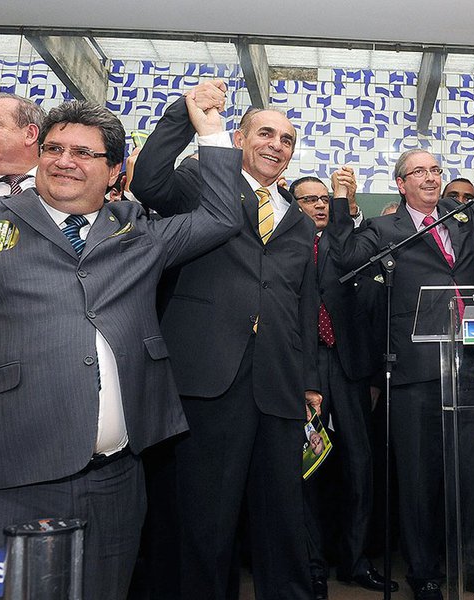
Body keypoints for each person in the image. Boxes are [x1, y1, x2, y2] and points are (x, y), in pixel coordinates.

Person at [0, 96, 243, 600]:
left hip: (112, 482)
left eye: (84, 153)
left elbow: (222, 215)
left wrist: (210, 128)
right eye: (54, 148)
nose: (65, 160)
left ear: (114, 172)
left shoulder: (139, 235)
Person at [131, 80, 321, 600]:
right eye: (266, 133)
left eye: (286, 139)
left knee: (283, 515)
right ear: (238, 138)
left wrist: (310, 380)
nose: (276, 146)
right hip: (209, 376)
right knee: (205, 518)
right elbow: (148, 181)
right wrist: (185, 116)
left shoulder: (299, 222)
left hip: (278, 383)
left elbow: (303, 303)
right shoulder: (200, 182)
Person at [329, 149, 474, 600]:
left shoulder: (462, 218)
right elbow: (343, 257)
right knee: (419, 480)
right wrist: (340, 199)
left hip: (472, 368)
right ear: (401, 183)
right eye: (420, 172)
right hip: (413, 374)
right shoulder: (385, 229)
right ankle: (425, 572)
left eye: (436, 170)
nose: (431, 178)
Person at [291, 171, 398, 599]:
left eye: (324, 199)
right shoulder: (288, 245)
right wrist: (303, 380)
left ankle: (355, 562)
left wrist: (372, 379)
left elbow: (372, 319)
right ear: (292, 204)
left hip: (351, 368)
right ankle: (313, 567)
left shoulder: (351, 243)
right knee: (308, 471)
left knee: (360, 468)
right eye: (308, 200)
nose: (319, 205)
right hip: (306, 368)